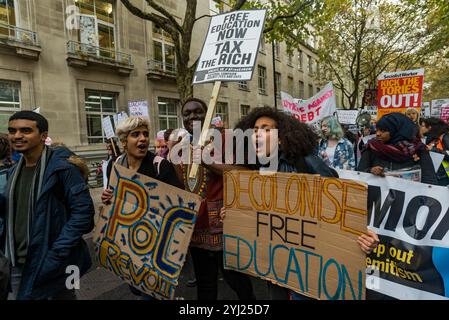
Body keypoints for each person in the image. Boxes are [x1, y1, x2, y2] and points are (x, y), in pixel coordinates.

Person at [225, 107, 378, 300]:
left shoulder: (305, 162)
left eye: (265, 129)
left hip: (307, 263)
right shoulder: (258, 168)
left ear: (281, 138)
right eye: (254, 130)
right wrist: (236, 216)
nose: (257, 135)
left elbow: (340, 201)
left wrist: (360, 232)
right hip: (276, 263)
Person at [1, 111, 95, 300]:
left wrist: (55, 255)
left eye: (25, 130)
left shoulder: (63, 170)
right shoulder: (12, 172)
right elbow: (13, 213)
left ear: (43, 136)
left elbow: (83, 215)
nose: (17, 136)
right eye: (12, 131)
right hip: (16, 262)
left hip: (56, 262)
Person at [177, 98, 255, 300]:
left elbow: (245, 174)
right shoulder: (180, 147)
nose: (192, 116)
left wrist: (209, 162)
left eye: (198, 111)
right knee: (205, 285)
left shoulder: (228, 139)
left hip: (225, 224)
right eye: (187, 113)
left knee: (236, 280)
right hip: (196, 228)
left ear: (209, 114)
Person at [100, 116, 183, 299]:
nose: (143, 138)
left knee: (151, 292)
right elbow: (112, 199)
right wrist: (107, 198)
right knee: (135, 287)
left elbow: (178, 208)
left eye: (145, 134)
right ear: (123, 141)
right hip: (128, 241)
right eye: (135, 134)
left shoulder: (160, 166)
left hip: (156, 243)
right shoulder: (115, 165)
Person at [358, 112, 438, 185]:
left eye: (383, 130)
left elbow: (430, 181)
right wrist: (370, 171)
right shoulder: (372, 147)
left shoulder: (418, 149)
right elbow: (359, 174)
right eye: (377, 130)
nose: (378, 134)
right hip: (377, 198)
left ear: (396, 130)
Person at [419, 117, 449, 186]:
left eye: (423, 126)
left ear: (429, 127)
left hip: (444, 176)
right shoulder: (434, 138)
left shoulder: (445, 137)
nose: (421, 127)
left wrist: (432, 149)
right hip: (437, 175)